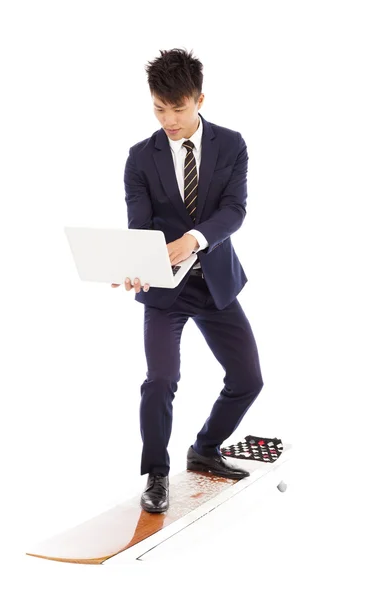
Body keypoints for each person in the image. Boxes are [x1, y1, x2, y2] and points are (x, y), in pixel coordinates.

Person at [111, 48, 263, 513]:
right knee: (160, 380)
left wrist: (194, 239)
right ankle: (157, 473)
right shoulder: (140, 158)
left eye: (178, 108)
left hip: (215, 283)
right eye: (159, 108)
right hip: (165, 289)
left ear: (199, 98)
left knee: (248, 379)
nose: (169, 120)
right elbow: (139, 226)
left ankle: (205, 448)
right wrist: (136, 263)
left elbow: (233, 210)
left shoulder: (231, 144)